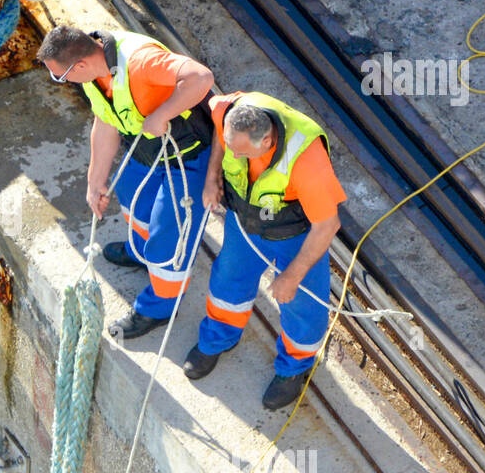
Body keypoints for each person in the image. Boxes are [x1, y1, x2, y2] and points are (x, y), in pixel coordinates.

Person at [36, 23, 215, 341]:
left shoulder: (140, 61)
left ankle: (159, 306)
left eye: (59, 77)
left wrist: (164, 113)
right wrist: (95, 182)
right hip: (147, 149)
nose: (59, 81)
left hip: (185, 156)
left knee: (167, 233)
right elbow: (105, 122)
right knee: (132, 199)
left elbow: (200, 77)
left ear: (79, 65)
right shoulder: (95, 72)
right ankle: (141, 254)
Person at [185, 91, 346, 411]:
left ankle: (294, 367)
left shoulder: (307, 160)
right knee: (228, 280)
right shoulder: (228, 110)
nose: (234, 154)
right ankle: (218, 337)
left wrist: (291, 275)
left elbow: (326, 226)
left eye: (241, 152)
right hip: (244, 220)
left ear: (268, 140)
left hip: (295, 234)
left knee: (302, 303)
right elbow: (221, 134)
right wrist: (212, 176)